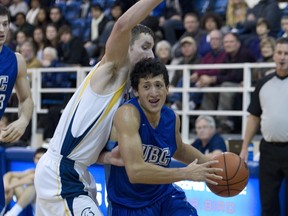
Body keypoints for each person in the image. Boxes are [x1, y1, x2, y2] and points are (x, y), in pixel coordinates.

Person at [34, 1, 163, 215]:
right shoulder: (111, 70)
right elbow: (122, 25)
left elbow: (88, 147)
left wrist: (107, 158)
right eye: (145, 47)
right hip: (62, 173)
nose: (151, 55)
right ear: (127, 46)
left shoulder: (124, 90)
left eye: (153, 49)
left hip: (75, 172)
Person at [106, 58, 223, 216]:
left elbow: (179, 150)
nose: (153, 92)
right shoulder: (128, 114)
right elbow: (135, 172)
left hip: (165, 196)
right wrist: (186, 173)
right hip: (130, 204)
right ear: (136, 91)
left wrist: (211, 167)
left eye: (158, 85)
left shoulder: (171, 117)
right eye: (146, 86)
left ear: (167, 88)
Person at [240, 37, 288, 216]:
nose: (283, 57)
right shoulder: (263, 83)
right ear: (274, 55)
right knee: (267, 204)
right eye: (279, 53)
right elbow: (254, 117)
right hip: (268, 150)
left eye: (286, 53)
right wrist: (245, 147)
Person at [0, 4, 34, 215]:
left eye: (4, 24)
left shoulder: (16, 60)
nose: (1, 30)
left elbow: (27, 98)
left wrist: (23, 120)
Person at [3, 147, 47, 216]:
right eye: (37, 158)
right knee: (13, 179)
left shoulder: (49, 172)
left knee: (33, 185)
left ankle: (11, 213)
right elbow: (9, 174)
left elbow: (32, 178)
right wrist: (6, 187)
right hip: (29, 204)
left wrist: (11, 186)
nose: (39, 161)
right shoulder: (32, 171)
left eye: (42, 158)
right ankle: (7, 210)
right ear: (34, 159)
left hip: (43, 209)